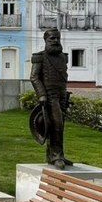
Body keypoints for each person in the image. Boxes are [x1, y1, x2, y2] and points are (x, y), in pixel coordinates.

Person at [29, 28, 73, 169]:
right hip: (49, 96)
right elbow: (34, 77)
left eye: (57, 38)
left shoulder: (63, 57)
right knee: (56, 125)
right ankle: (56, 156)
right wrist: (41, 94)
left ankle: (54, 155)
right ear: (45, 40)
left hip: (61, 95)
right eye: (51, 39)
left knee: (59, 127)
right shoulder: (40, 57)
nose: (55, 41)